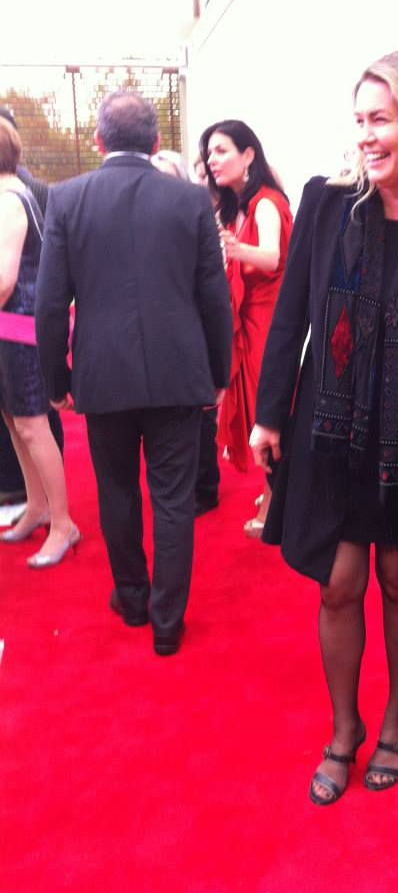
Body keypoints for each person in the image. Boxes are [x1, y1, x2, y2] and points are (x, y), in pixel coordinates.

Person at [250, 50, 398, 804]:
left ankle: (394, 727)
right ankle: (342, 729)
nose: (367, 137)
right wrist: (267, 413)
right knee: (339, 584)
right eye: (360, 121)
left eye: (381, 120)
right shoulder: (326, 201)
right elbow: (292, 316)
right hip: (335, 428)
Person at [35, 91, 232, 656]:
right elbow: (213, 298)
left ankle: (132, 597)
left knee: (117, 491)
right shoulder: (192, 201)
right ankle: (168, 623)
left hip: (102, 375)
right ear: (154, 143)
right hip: (177, 374)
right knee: (173, 499)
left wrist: (57, 381)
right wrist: (218, 371)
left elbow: (50, 305)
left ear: (98, 142)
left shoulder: (67, 200)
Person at [200, 120, 292, 536]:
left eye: (221, 151)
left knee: (266, 411)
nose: (212, 160)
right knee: (260, 410)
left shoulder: (266, 202)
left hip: (267, 321)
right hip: (248, 318)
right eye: (209, 154)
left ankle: (277, 500)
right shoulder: (235, 207)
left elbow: (273, 258)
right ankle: (276, 492)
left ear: (248, 154)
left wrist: (234, 249)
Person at [0, 117, 79, 566]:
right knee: (16, 422)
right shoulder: (9, 195)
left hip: (20, 332)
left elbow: (4, 281)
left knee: (32, 425)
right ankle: (37, 506)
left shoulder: (10, 201)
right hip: (10, 331)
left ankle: (63, 523)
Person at [151, 148, 222, 518]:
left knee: (201, 416)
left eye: (167, 175)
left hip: (193, 333)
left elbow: (212, 289)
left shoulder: (196, 219)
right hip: (161, 337)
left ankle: (206, 487)